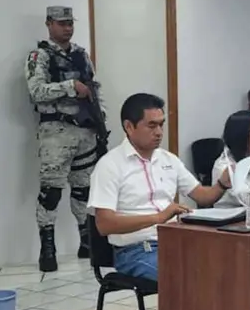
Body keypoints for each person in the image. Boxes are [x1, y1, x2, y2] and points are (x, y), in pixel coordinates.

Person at [88, 93, 234, 281]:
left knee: (228, 264)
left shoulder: (168, 159)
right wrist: (158, 218)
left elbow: (203, 197)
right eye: (151, 125)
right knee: (192, 275)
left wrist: (222, 184)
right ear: (129, 127)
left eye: (161, 125)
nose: (159, 132)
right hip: (135, 251)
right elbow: (104, 224)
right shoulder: (110, 165)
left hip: (176, 240)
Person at [25, 6, 107, 272]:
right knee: (51, 193)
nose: (67, 28)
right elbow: (36, 91)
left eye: (70, 23)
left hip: (85, 131)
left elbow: (93, 87)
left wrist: (100, 118)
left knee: (84, 189)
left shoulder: (82, 55)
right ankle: (47, 249)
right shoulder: (39, 56)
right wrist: (69, 86)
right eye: (62, 23)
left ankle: (87, 242)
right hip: (56, 133)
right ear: (49, 24)